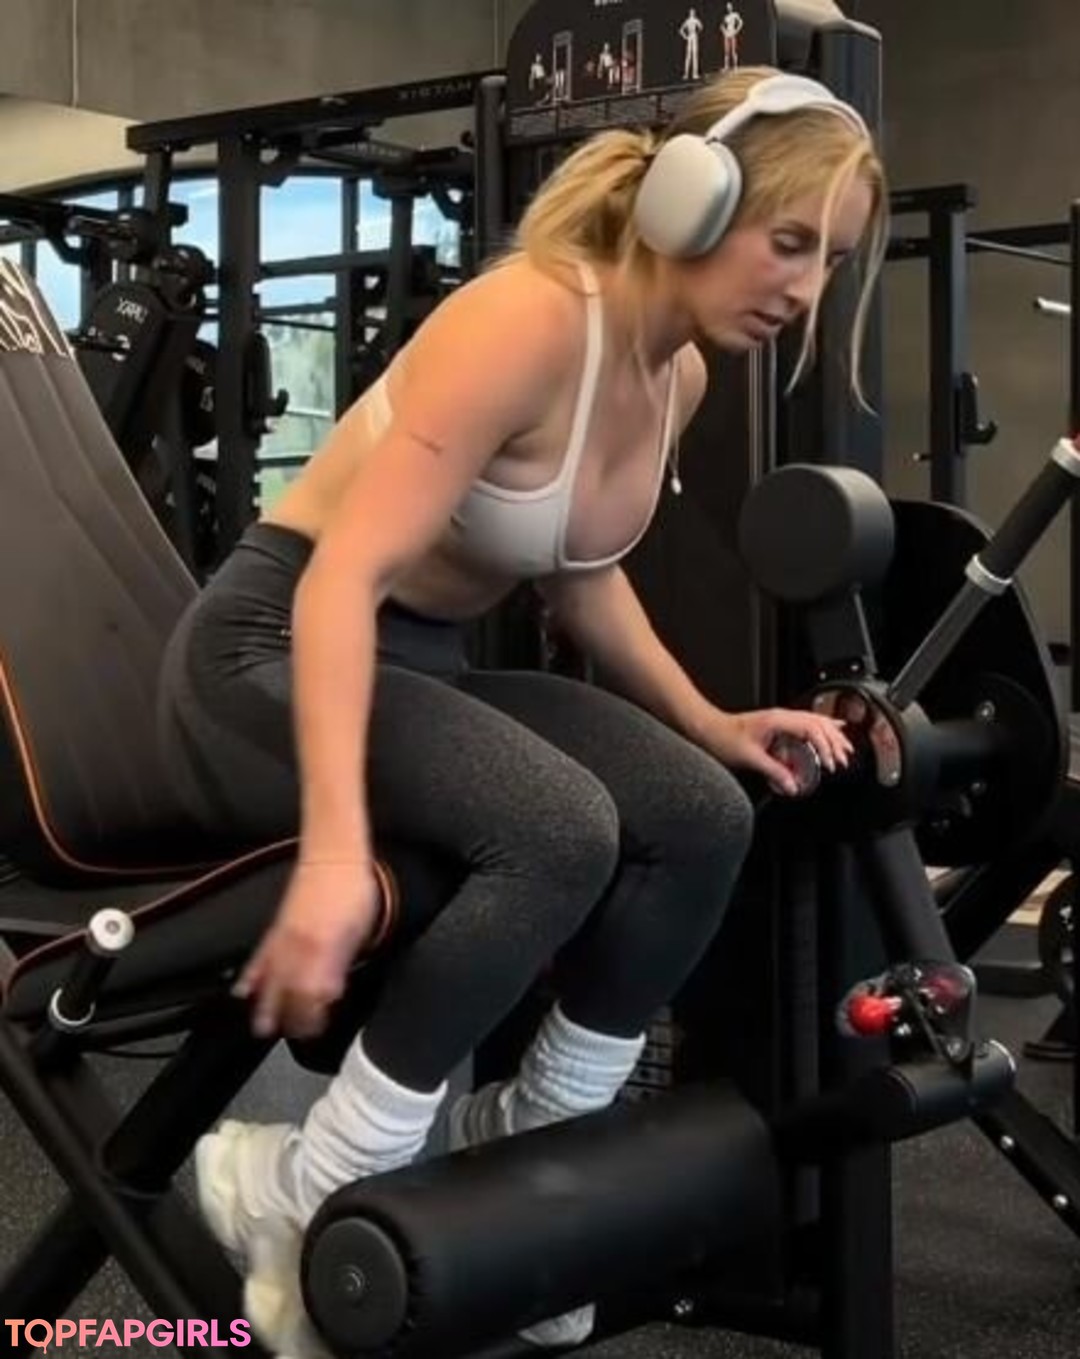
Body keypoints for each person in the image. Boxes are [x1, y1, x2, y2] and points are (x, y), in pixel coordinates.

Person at [157, 65, 887, 1357]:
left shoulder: (677, 376)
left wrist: (711, 721)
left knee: (699, 814)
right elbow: (340, 583)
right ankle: (302, 1188)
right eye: (790, 242)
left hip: (418, 665)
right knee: (555, 826)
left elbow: (580, 571)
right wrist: (332, 855)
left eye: (828, 262)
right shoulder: (528, 318)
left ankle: (529, 1172)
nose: (804, 289)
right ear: (690, 199)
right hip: (274, 650)